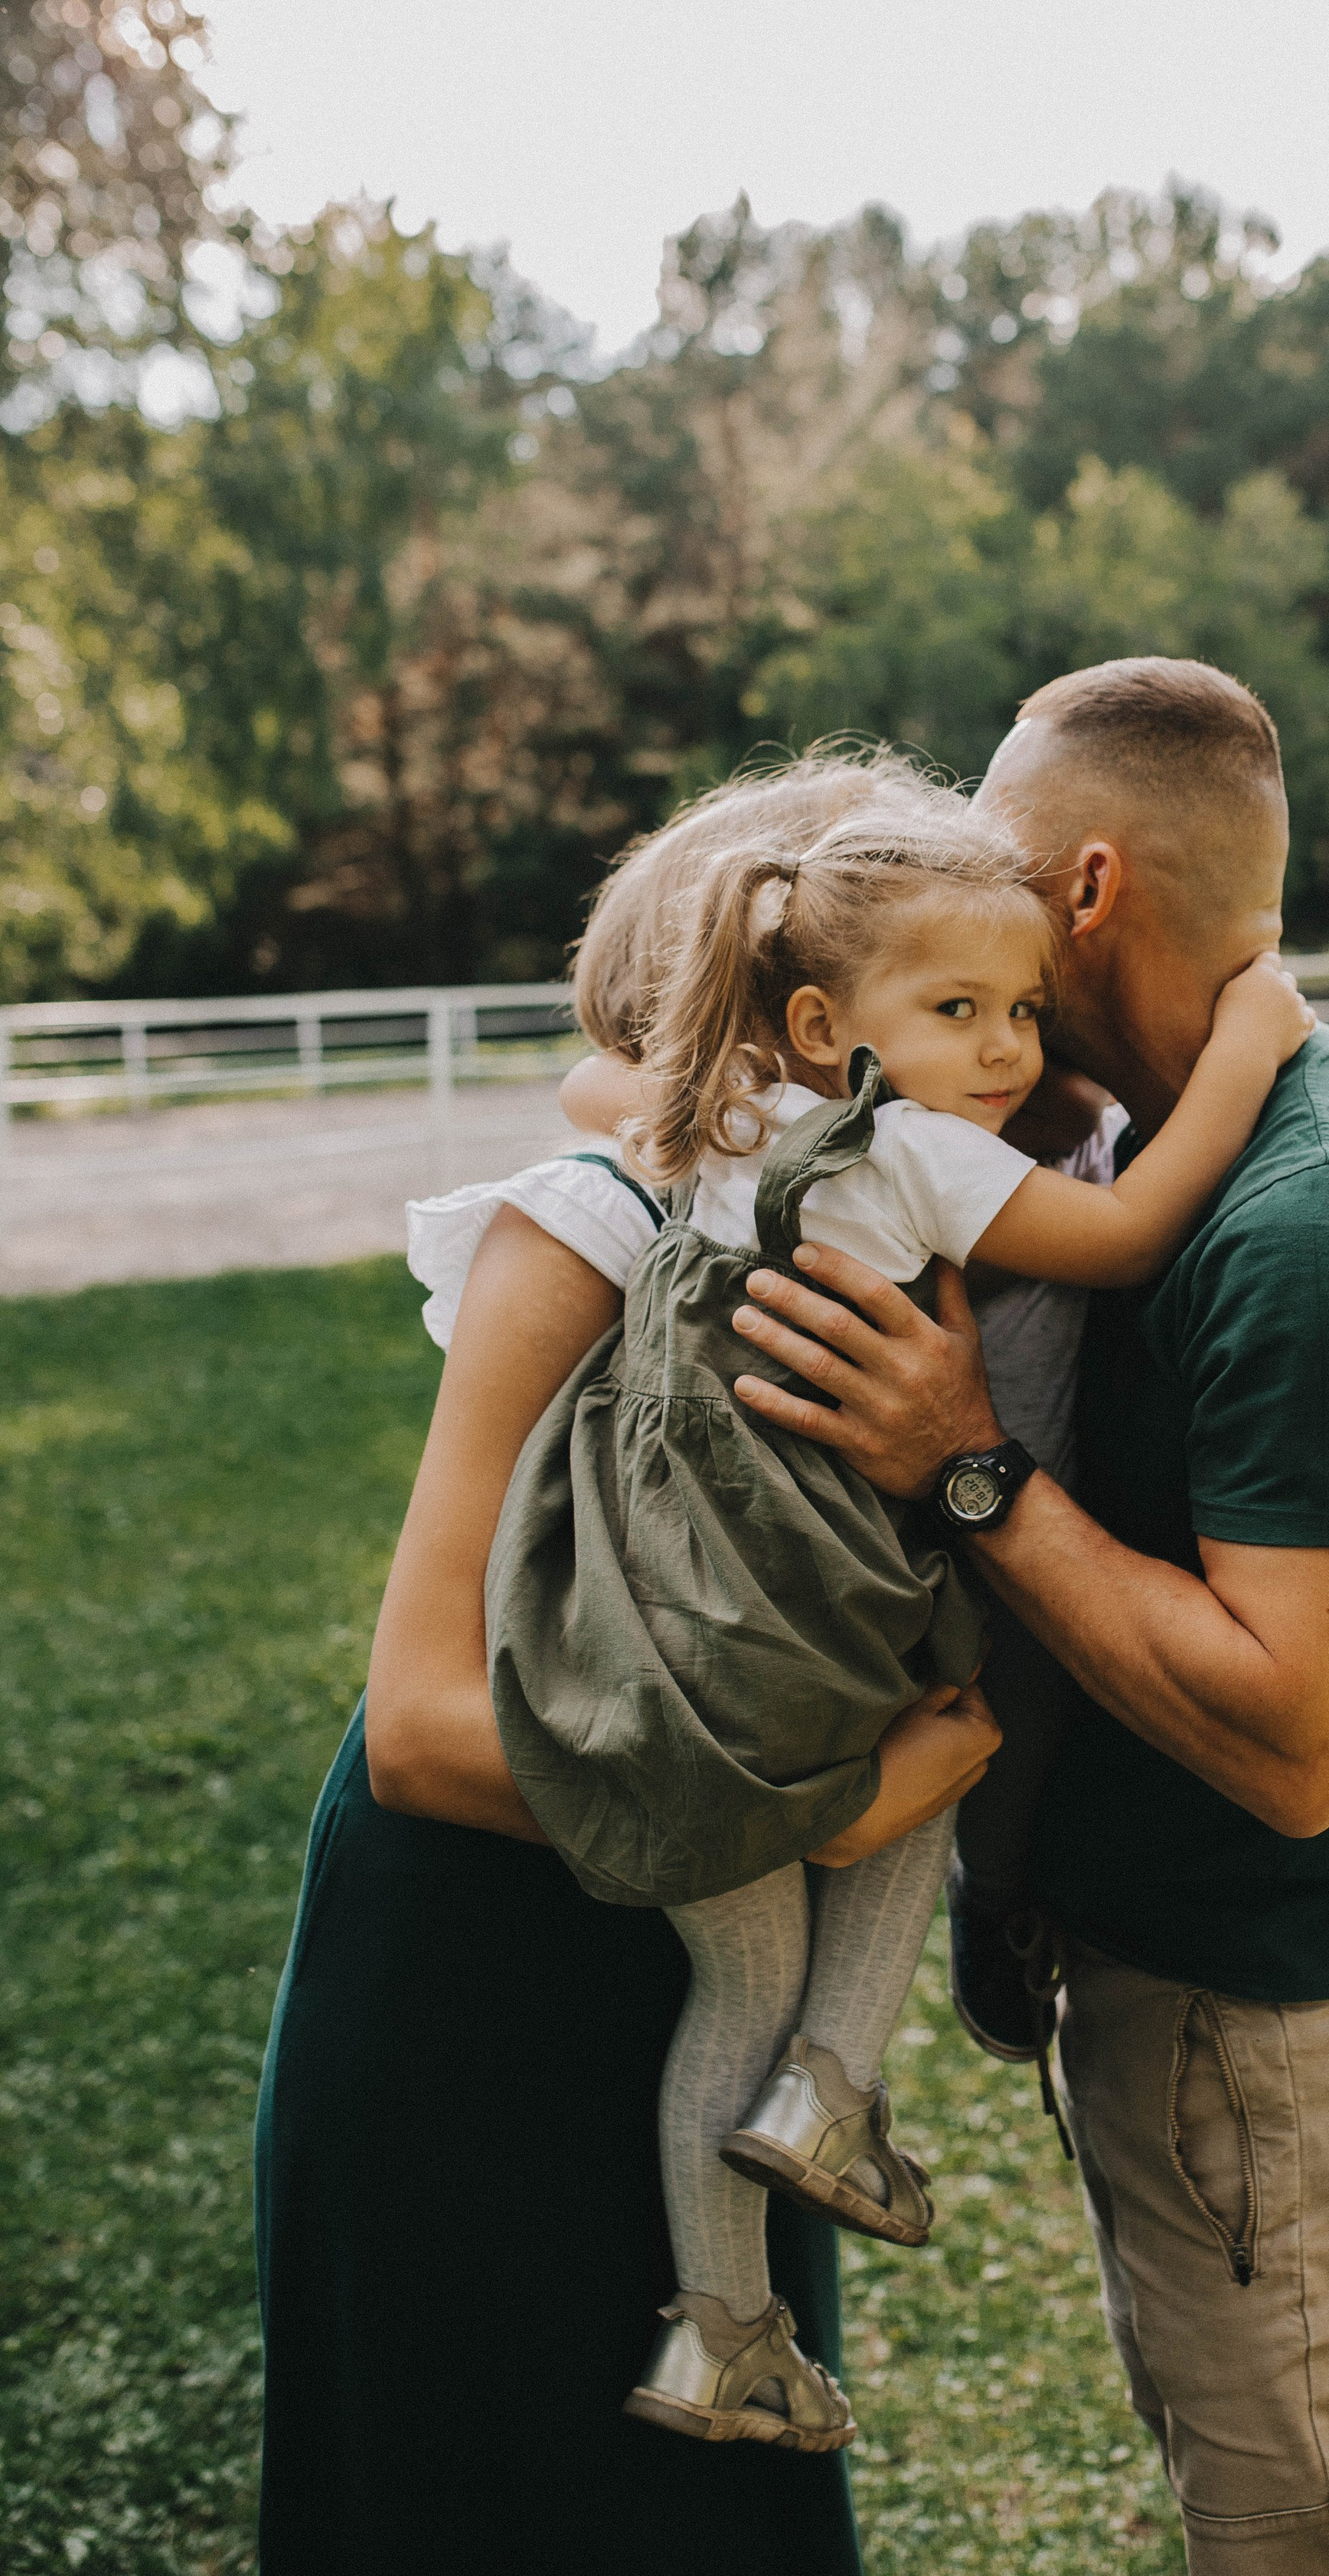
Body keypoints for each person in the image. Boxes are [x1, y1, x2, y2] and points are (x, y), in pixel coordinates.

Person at [721, 659, 1329, 2576]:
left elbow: (1299, 1741)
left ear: (1081, 891)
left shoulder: (1314, 1224)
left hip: (1274, 2043)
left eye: (989, 874)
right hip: (1195, 2019)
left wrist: (963, 1466)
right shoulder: (1145, 1153)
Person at [488, 769, 1311, 2448]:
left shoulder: (714, 1122)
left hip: (668, 1615)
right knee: (931, 1774)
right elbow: (1136, 1229)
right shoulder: (924, 1154)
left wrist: (779, 1043)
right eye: (961, 1010)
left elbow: (600, 1074)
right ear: (821, 1019)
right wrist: (1251, 1044)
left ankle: (717, 2329)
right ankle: (835, 2092)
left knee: (733, 1979)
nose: (1007, 1048)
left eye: (1021, 1008)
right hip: (832, 1622)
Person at [252, 750, 998, 2576]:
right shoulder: (574, 1242)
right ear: (792, 1016)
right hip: (483, 2008)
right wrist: (823, 1812)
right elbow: (427, 1732)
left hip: (705, 2026)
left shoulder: (863, 1237)